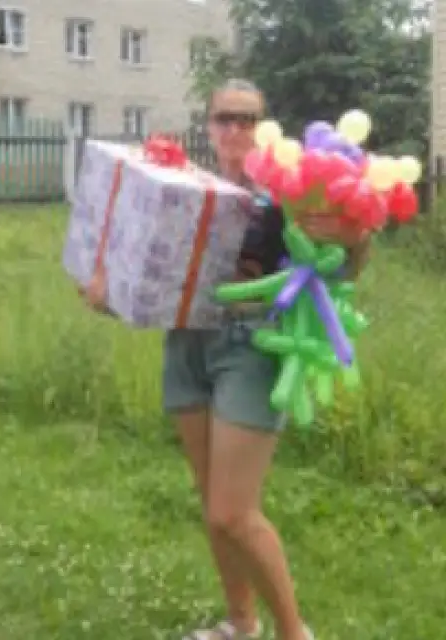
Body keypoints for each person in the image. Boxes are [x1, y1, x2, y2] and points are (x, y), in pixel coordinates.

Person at [163, 79, 370, 640]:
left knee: (233, 511)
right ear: (208, 125)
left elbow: (345, 264)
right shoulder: (187, 186)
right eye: (224, 118)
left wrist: (351, 236)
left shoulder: (289, 188)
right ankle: (240, 622)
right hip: (185, 340)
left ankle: (294, 633)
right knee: (213, 504)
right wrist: (105, 287)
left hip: (250, 344)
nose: (235, 129)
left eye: (247, 118)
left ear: (264, 126)